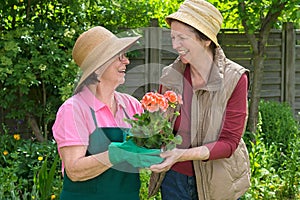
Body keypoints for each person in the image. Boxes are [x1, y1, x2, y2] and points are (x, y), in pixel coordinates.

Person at [148, 0, 251, 200]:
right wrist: (153, 124)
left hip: (219, 180)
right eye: (173, 37)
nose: (175, 45)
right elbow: (163, 131)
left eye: (182, 38)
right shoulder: (170, 75)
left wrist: (182, 155)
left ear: (206, 40)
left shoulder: (235, 78)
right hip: (174, 180)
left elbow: (229, 143)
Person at [52, 26, 163, 200]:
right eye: (119, 56)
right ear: (98, 68)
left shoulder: (131, 105)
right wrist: (115, 154)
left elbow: (146, 150)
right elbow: (74, 170)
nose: (126, 61)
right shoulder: (74, 110)